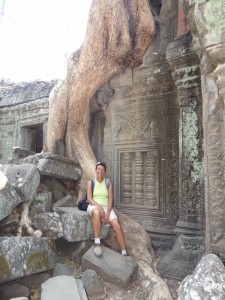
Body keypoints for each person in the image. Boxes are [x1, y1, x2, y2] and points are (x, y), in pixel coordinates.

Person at [87, 162, 128, 258]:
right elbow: (89, 198)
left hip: (106, 208)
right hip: (93, 206)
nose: (100, 171)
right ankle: (97, 243)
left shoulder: (108, 182)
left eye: (102, 170)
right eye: (98, 169)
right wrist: (99, 207)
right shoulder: (91, 182)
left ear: (105, 171)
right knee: (96, 212)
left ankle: (124, 251)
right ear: (95, 170)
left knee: (117, 226)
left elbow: (110, 199)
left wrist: (107, 213)